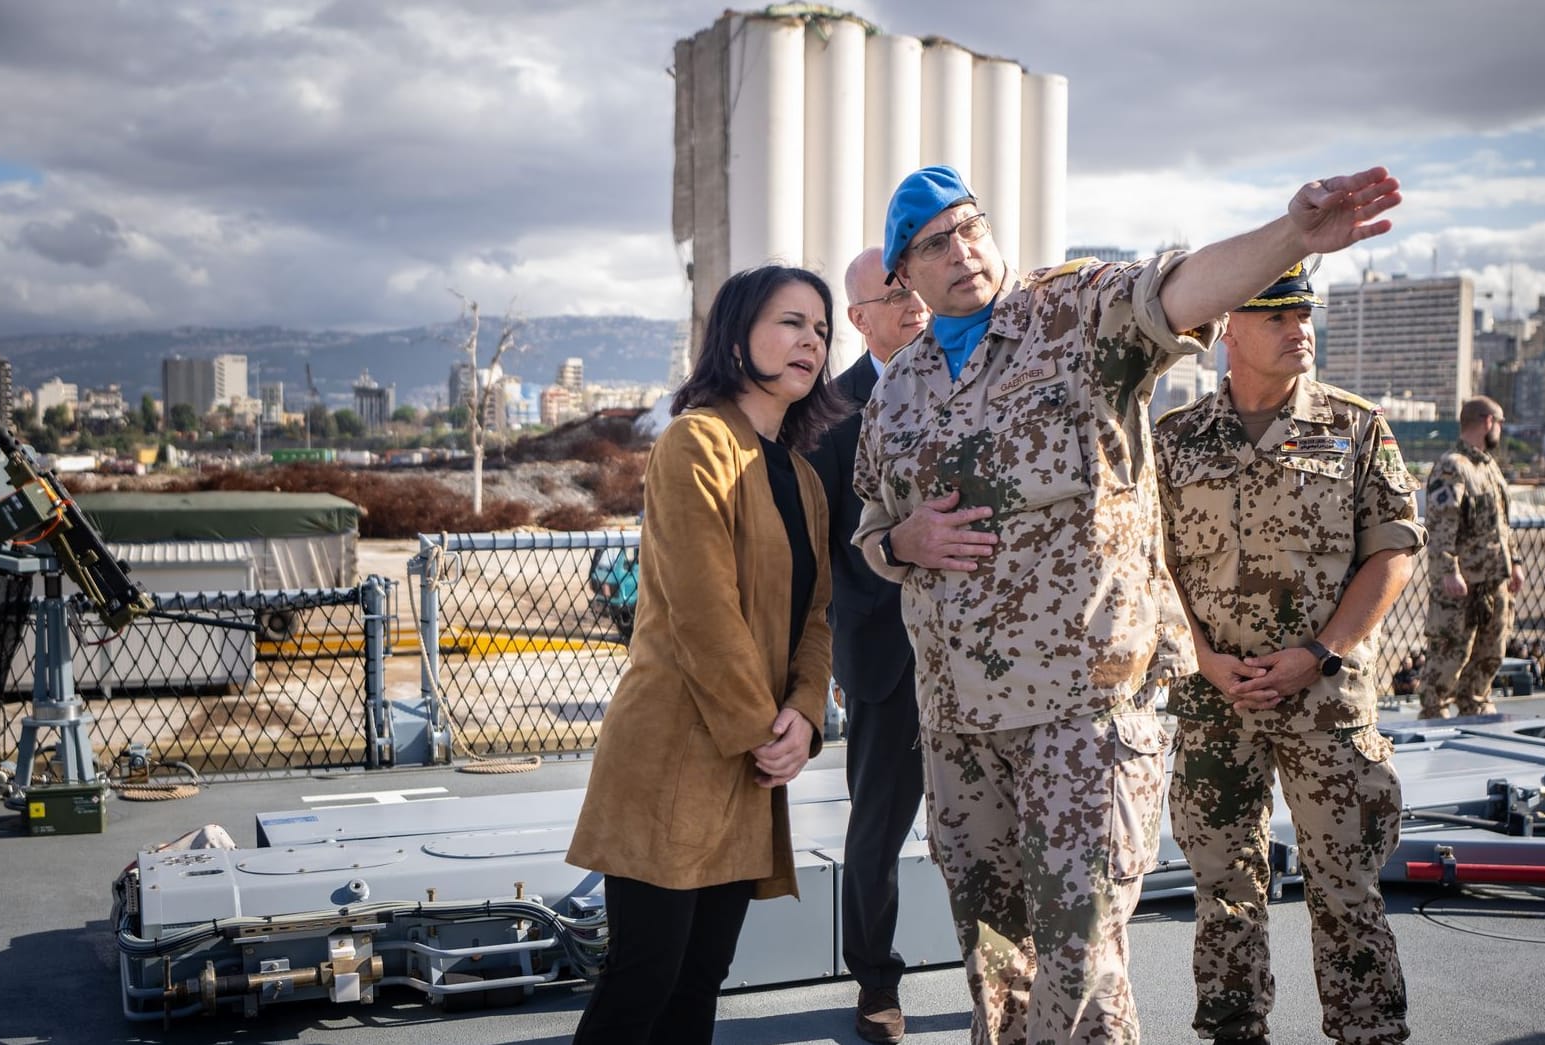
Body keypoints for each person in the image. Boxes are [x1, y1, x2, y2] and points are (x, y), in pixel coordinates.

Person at [852, 163, 1402, 1043]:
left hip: (1085, 712)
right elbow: (873, 530)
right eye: (933, 244)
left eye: (971, 226)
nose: (962, 251)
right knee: (995, 951)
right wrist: (902, 542)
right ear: (902, 274)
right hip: (959, 723)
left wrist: (1290, 237)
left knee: (1081, 956)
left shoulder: (1072, 314)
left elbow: (1179, 287)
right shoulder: (899, 389)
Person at [567, 265, 844, 1044]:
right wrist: (768, 729)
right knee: (642, 980)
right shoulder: (695, 442)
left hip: (751, 757)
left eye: (821, 329)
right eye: (792, 322)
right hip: (673, 754)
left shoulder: (801, 476)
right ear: (733, 336)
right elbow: (701, 610)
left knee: (699, 982)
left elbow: (816, 613)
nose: (811, 342)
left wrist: (805, 711)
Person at [1154, 263, 1424, 1045]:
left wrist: (1321, 651)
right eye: (1275, 315)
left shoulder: (1355, 425)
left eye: (1303, 313)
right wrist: (1202, 658)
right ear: (1228, 331)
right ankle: (1236, 1031)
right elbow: (1150, 565)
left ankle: (1369, 1031)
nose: (1297, 327)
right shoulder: (1174, 442)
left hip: (1326, 702)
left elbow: (1394, 550)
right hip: (1215, 703)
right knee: (1224, 889)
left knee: (1346, 888)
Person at [805, 247, 931, 1043]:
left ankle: (1014, 970)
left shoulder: (976, 384)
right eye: (894, 291)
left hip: (985, 655)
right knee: (877, 831)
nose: (913, 297)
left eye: (915, 283)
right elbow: (821, 550)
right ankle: (875, 983)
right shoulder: (826, 416)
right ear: (859, 318)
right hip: (885, 657)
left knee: (995, 822)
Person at [1417, 396, 1523, 719]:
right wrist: (1449, 570)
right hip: (1463, 586)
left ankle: (1475, 710)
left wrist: (1515, 563)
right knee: (1450, 656)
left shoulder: (1488, 467)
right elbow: (1441, 522)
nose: (1501, 430)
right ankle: (1436, 717)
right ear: (1487, 421)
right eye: (1500, 422)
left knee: (1490, 655)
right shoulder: (1453, 466)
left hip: (1494, 581)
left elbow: (1501, 523)